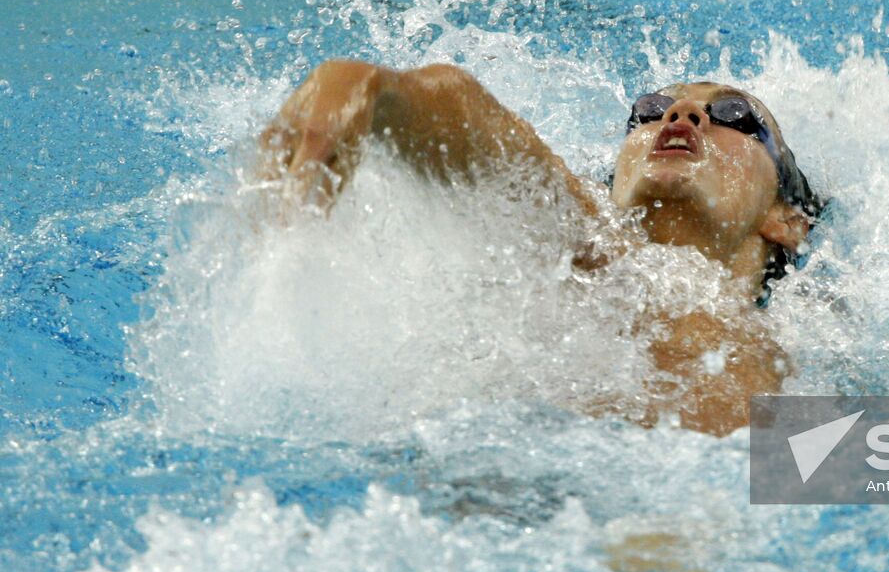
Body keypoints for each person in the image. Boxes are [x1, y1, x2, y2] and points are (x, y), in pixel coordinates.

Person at [257, 60, 823, 436]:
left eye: (734, 117)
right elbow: (485, 137)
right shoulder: (594, 255)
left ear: (786, 221)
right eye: (648, 111)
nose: (681, 115)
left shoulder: (821, 357)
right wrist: (368, 88)